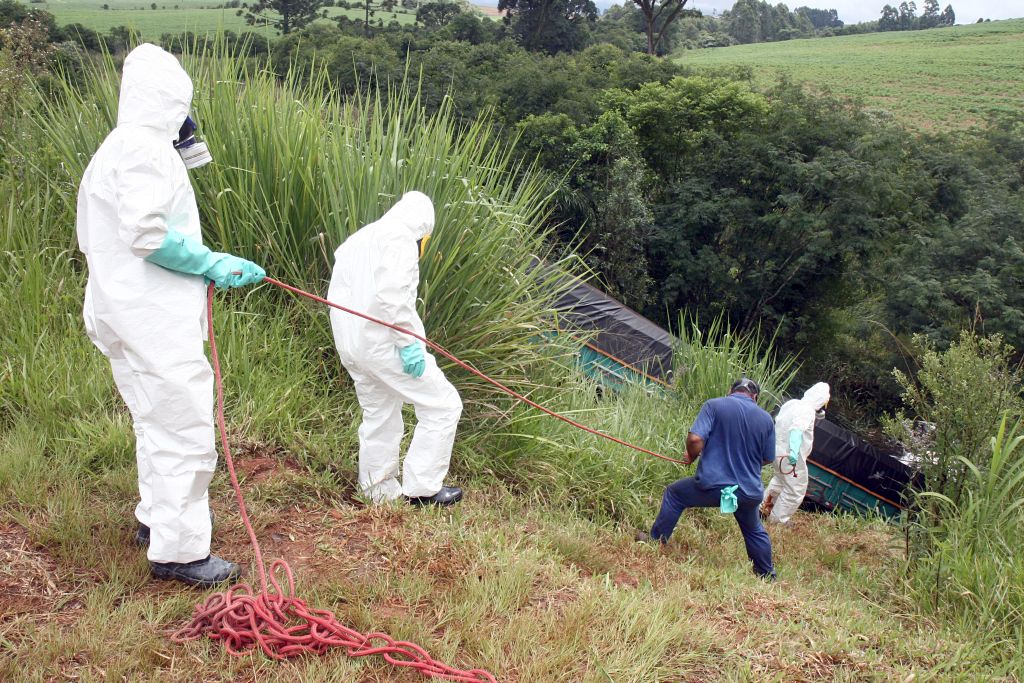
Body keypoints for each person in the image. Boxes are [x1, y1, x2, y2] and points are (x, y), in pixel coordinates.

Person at [76, 44, 265, 587]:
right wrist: (210, 261)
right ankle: (180, 551)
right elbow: (147, 235)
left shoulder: (115, 146)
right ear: (170, 100)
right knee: (183, 427)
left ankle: (156, 518)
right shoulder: (145, 150)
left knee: (153, 419)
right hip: (150, 317)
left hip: (120, 310)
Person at [328, 191, 464, 507]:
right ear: (423, 230)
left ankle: (377, 491)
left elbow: (338, 297)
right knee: (443, 404)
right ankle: (423, 489)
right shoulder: (400, 237)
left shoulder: (356, 241)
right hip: (385, 345)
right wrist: (409, 344)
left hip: (352, 347)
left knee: (380, 413)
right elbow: (393, 297)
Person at [641, 378, 776, 579]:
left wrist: (691, 456)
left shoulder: (714, 405)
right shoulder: (766, 419)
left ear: (730, 390)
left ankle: (656, 541)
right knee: (754, 529)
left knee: (675, 494)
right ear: (755, 397)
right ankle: (766, 574)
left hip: (713, 486)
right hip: (748, 492)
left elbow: (695, 439)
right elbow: (768, 458)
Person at [761, 382, 831, 525]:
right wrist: (793, 453)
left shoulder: (792, 404)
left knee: (779, 481)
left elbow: (780, 421)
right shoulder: (807, 411)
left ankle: (762, 509)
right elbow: (796, 430)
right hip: (791, 455)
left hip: (777, 450)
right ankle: (778, 521)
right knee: (795, 489)